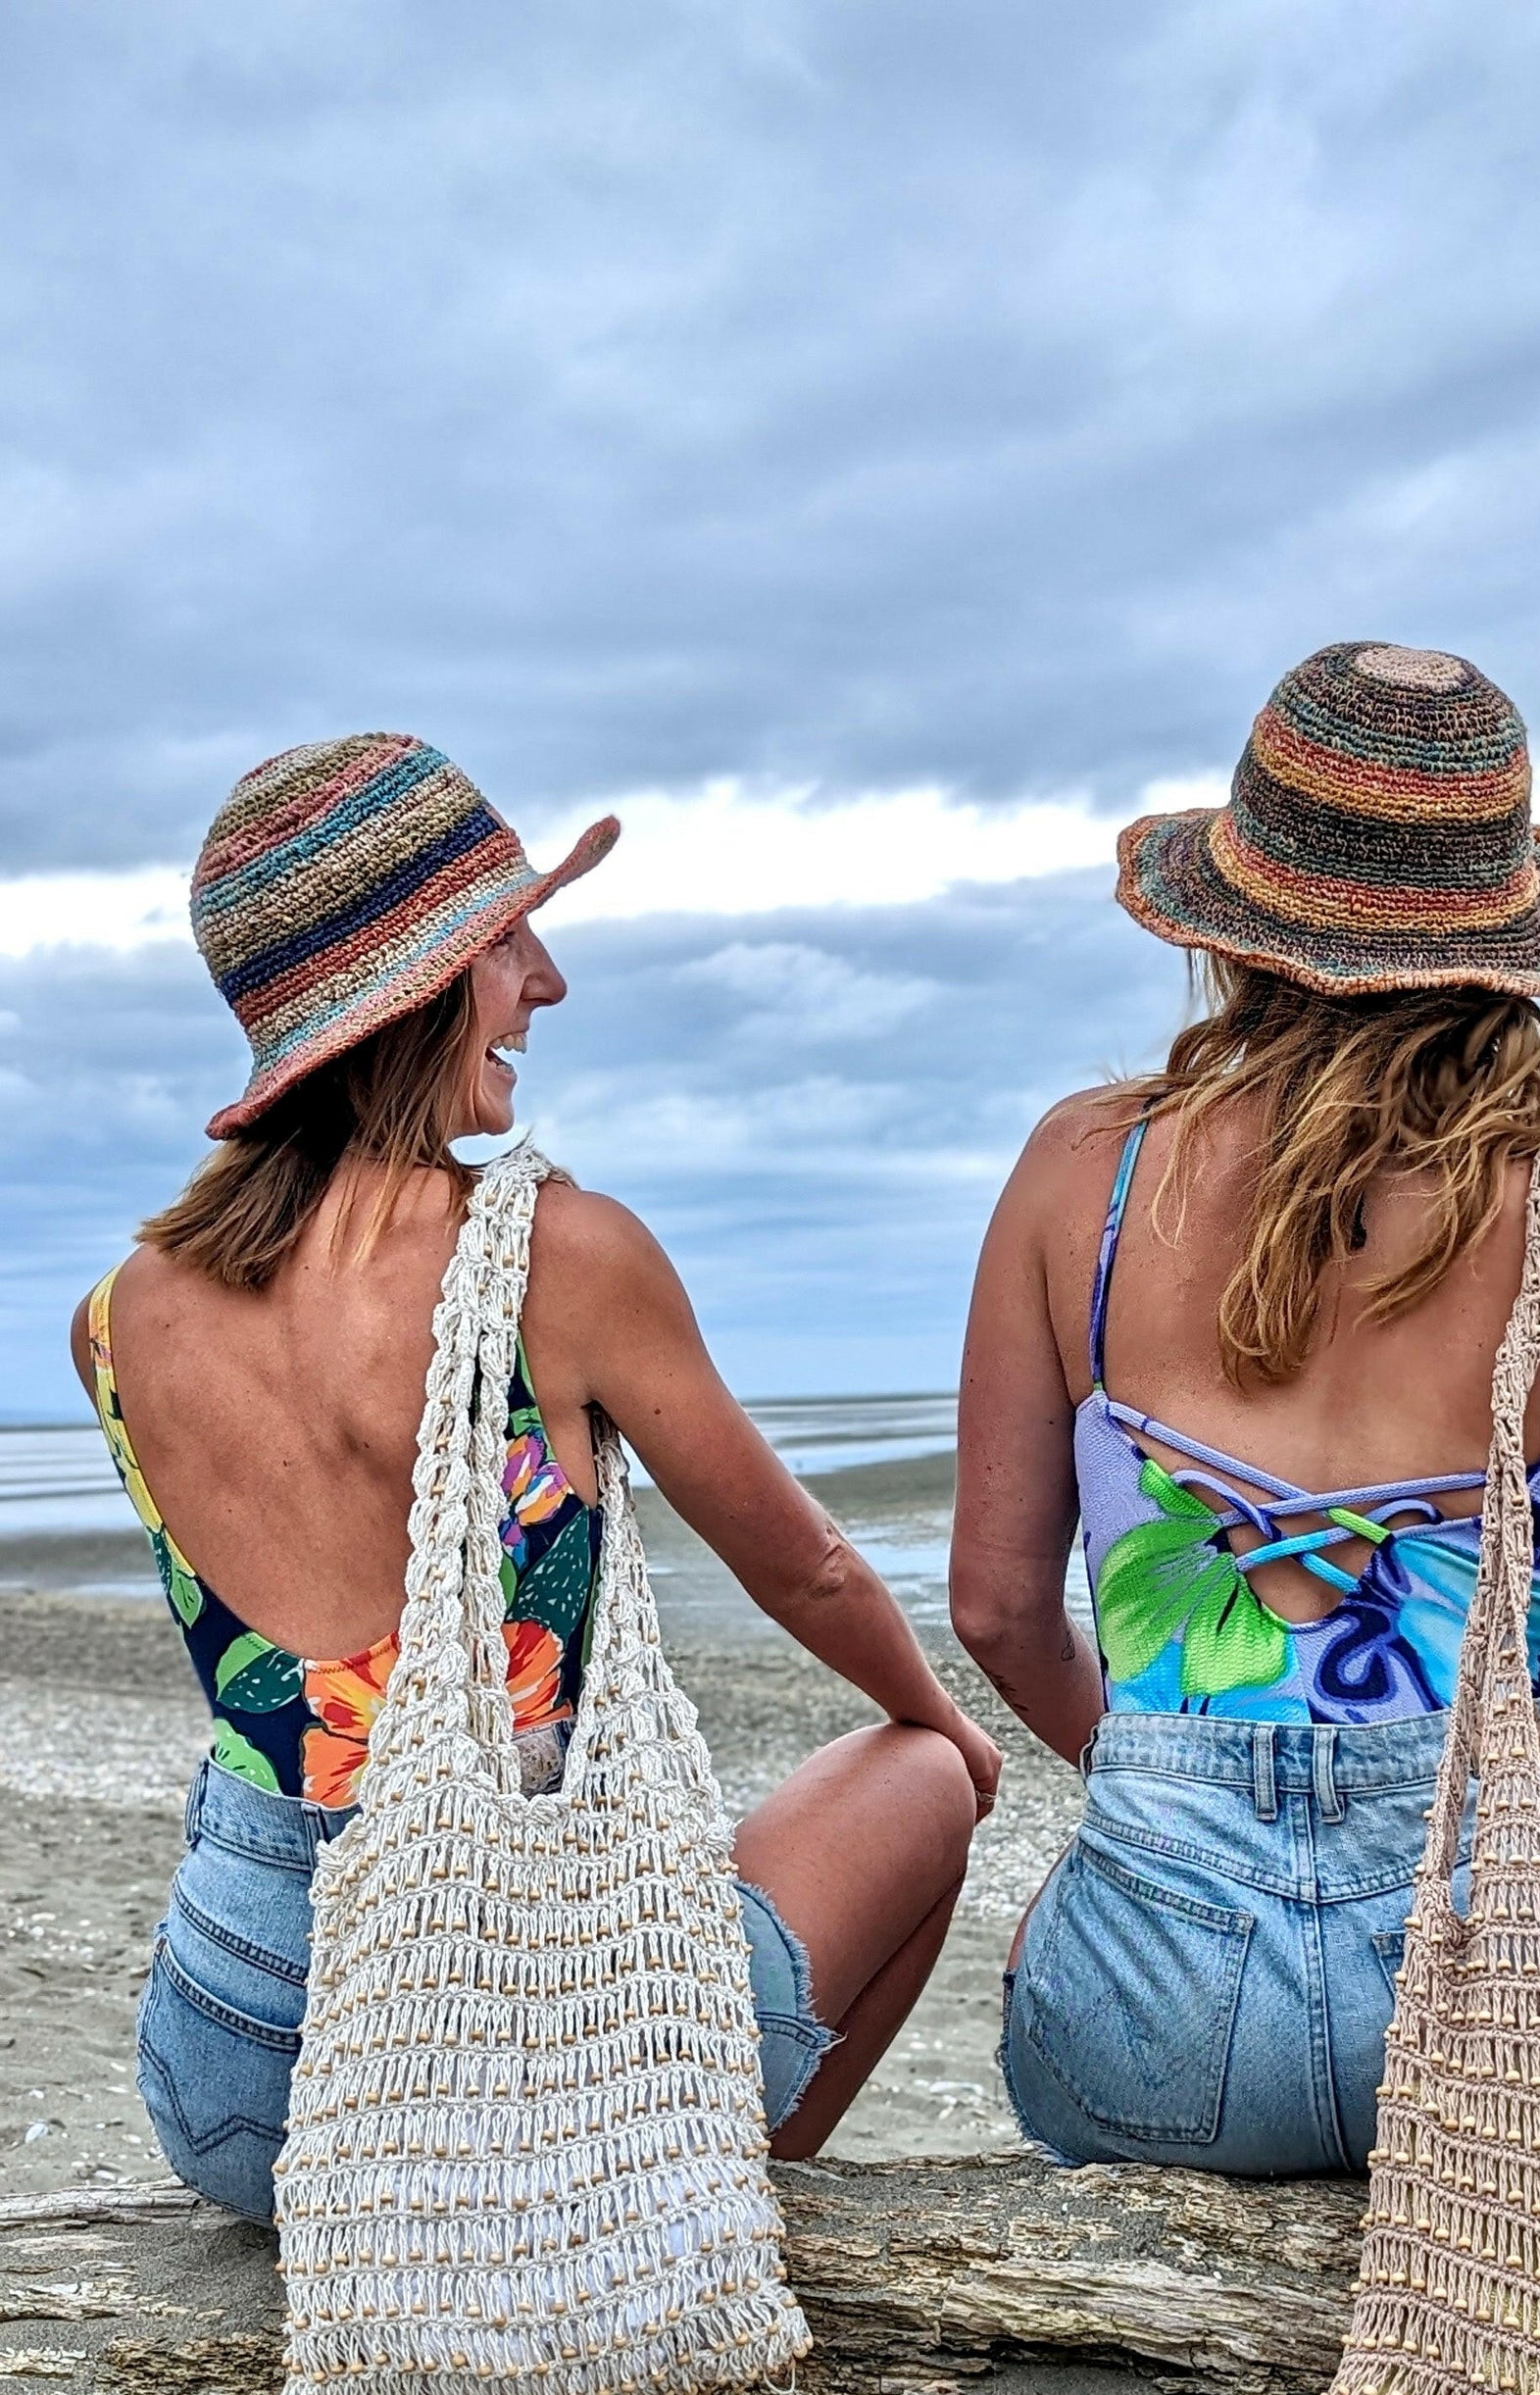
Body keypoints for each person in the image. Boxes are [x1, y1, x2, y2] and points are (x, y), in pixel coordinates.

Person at [79, 732, 999, 2218]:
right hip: (518, 2040)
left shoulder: (115, 1319)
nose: (547, 981)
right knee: (926, 1778)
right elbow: (810, 1567)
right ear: (418, 981)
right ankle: (702, 2205)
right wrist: (946, 1718)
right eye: (509, 941)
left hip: (241, 2078)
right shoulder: (554, 1256)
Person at [951, 641, 1540, 2176]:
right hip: (1513, 2039)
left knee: (1062, 1951)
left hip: (1150, 2020)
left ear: (1233, 924)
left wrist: (1171, 1800)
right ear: (1500, 943)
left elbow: (1000, 1613)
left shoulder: (1083, 1176)